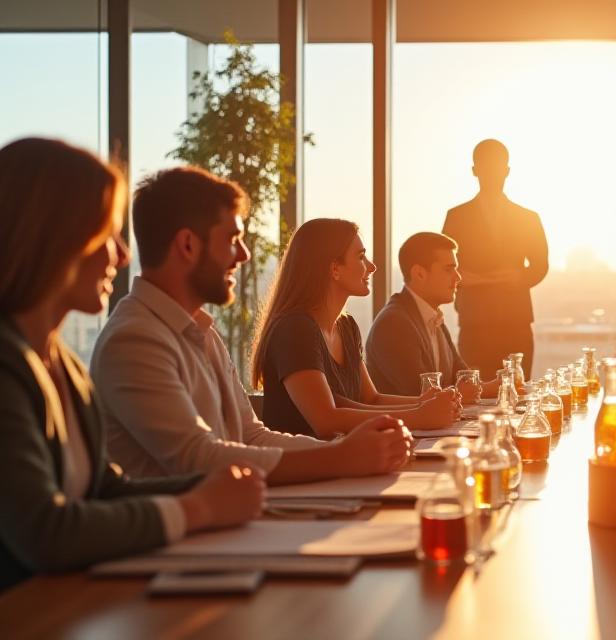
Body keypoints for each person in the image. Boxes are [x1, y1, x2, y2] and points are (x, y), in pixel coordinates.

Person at [0, 138, 263, 590]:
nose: (122, 256)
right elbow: (44, 532)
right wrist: (197, 508)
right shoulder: (7, 366)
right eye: (107, 235)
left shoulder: (63, 365)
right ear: (54, 239)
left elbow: (104, 488)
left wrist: (218, 487)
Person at [92, 167, 412, 483]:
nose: (243, 255)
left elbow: (252, 436)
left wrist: (348, 450)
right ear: (188, 245)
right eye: (233, 239)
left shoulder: (203, 334)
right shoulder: (134, 339)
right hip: (191, 534)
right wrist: (343, 457)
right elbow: (197, 458)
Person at [250, 218, 460, 439]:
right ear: (334, 269)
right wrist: (420, 416)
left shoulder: (346, 326)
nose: (372, 266)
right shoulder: (295, 329)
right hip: (306, 468)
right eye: (361, 257)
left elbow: (371, 399)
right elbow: (326, 420)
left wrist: (426, 402)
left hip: (347, 461)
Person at [442, 139, 549, 380]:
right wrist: (461, 279)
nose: (491, 174)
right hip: (474, 323)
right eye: (486, 167)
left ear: (507, 171)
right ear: (474, 171)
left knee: (517, 395)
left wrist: (519, 277)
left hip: (515, 322)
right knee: (475, 398)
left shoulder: (528, 218)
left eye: (497, 168)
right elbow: (443, 264)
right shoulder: (456, 216)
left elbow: (541, 265)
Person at [366, 232, 499, 400]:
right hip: (405, 426)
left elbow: (465, 380)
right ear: (419, 273)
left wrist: (502, 384)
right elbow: (421, 395)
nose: (458, 277)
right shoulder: (394, 323)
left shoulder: (433, 318)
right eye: (448, 269)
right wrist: (464, 392)